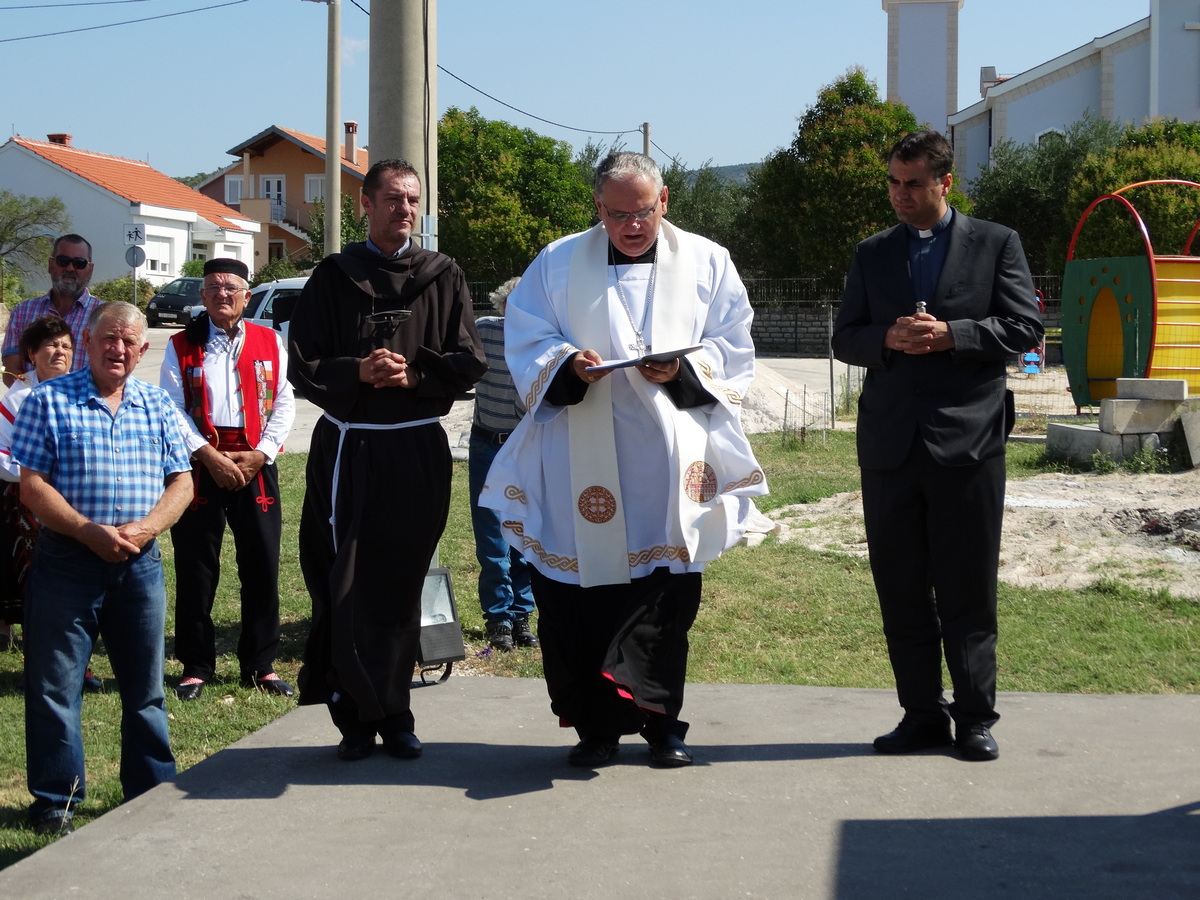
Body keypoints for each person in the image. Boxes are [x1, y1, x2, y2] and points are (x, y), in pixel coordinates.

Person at [479, 151, 767, 769]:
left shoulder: (708, 262)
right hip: (580, 450)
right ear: (598, 209)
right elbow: (526, 338)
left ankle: (663, 727)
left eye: (642, 211)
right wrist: (565, 364)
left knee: (663, 598)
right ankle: (596, 729)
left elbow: (734, 342)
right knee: (578, 594)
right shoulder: (557, 262)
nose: (632, 225)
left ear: (664, 202)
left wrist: (683, 368)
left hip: (667, 461)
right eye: (617, 214)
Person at [831, 130, 1043, 763]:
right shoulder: (871, 253)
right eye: (894, 183)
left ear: (945, 183)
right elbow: (846, 337)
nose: (901, 194)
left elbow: (1025, 326)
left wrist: (953, 334)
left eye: (914, 183)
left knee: (966, 586)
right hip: (890, 447)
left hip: (969, 442)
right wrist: (887, 339)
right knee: (899, 586)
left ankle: (974, 717)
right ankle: (921, 713)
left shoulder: (996, 243)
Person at [288, 158, 486, 762]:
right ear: (365, 205)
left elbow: (467, 359)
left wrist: (415, 374)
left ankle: (397, 713)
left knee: (401, 585)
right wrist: (358, 371)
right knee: (342, 581)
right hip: (350, 447)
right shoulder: (332, 276)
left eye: (414, 200)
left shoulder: (442, 274)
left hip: (416, 446)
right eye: (394, 199)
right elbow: (303, 364)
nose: (405, 209)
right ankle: (353, 715)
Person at [13, 301, 192, 835]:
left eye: (129, 342)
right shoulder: (48, 399)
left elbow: (181, 482)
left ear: (142, 350)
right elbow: (32, 487)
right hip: (67, 562)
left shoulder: (156, 403)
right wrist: (87, 531)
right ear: (87, 342)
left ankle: (152, 791)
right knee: (54, 687)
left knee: (145, 689)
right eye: (108, 339)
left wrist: (147, 529)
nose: (118, 349)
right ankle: (56, 801)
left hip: (139, 565)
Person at [159, 258, 297, 702]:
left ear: (246, 296)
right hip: (200, 463)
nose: (223, 294)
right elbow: (171, 408)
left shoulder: (270, 340)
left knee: (261, 563)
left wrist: (263, 453)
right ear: (202, 296)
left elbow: (284, 401)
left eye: (231, 288)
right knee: (196, 566)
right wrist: (208, 456)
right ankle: (196, 665)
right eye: (214, 288)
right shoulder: (180, 345)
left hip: (255, 462)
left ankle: (260, 664)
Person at [0, 317, 103, 692]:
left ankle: (81, 667)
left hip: (77, 503)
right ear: (31, 353)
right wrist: (45, 477)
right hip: (30, 511)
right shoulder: (16, 398)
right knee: (40, 592)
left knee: (80, 588)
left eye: (65, 346)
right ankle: (43, 669)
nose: (59, 352)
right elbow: (4, 456)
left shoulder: (79, 392)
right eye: (50, 346)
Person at [469, 277, 537, 652]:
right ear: (502, 307)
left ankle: (523, 614)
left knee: (525, 535)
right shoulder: (483, 332)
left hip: (527, 448)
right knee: (492, 537)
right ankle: (498, 619)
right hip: (487, 446)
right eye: (514, 306)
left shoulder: (543, 342)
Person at [2, 234, 102, 387]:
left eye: (79, 263)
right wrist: (38, 401)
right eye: (63, 261)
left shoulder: (104, 316)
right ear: (50, 265)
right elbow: (11, 369)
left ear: (90, 269)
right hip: (33, 406)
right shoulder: (23, 312)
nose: (70, 268)